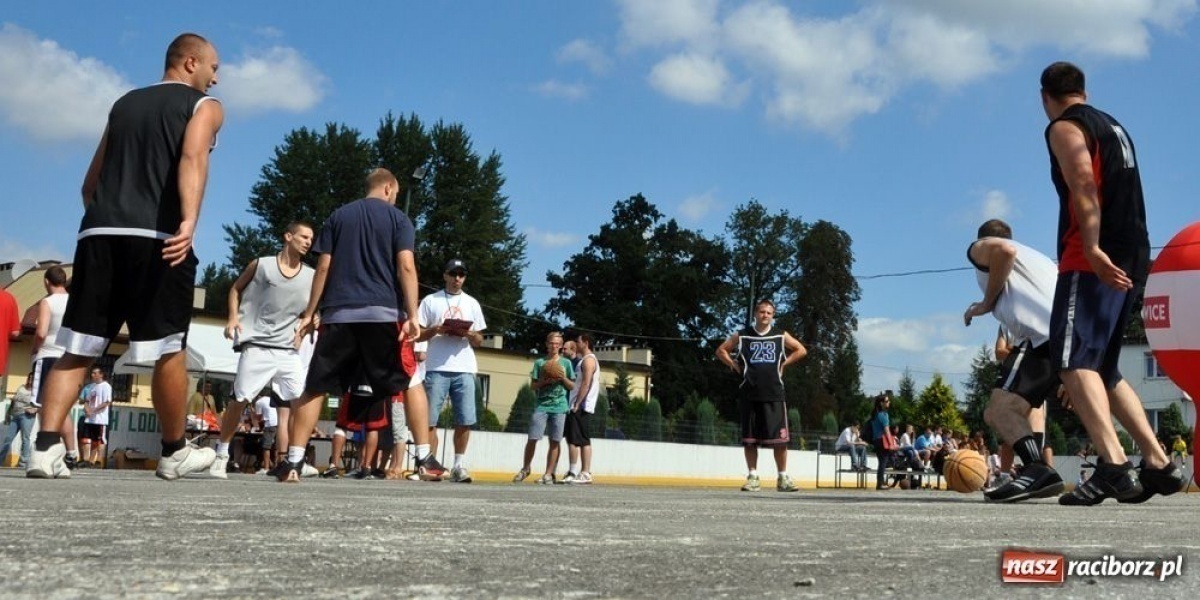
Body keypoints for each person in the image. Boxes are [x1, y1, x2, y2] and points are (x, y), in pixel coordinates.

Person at [27, 33, 223, 480]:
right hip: (157, 238)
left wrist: (104, 226)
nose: (216, 77)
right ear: (191, 63)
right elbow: (192, 158)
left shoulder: (124, 104)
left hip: (98, 233)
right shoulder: (204, 107)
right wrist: (189, 222)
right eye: (214, 67)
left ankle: (44, 447)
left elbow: (89, 183)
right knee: (168, 348)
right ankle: (174, 451)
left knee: (78, 344)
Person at [1039, 61, 1180, 505]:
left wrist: (1094, 249)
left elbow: (1083, 183)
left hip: (1093, 254)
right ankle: (1159, 464)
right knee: (1103, 367)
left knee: (1071, 358)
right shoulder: (1113, 125)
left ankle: (1114, 467)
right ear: (1085, 89)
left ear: (1045, 97)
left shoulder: (1065, 127)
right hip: (1136, 248)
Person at [281, 168, 441, 483]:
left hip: (339, 315)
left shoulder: (338, 216)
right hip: (383, 315)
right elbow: (406, 265)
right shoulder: (399, 220)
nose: (395, 198)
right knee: (410, 381)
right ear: (389, 188)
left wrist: (309, 313)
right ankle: (424, 458)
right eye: (395, 193)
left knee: (315, 386)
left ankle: (294, 462)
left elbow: (323, 266)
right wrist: (412, 314)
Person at [963, 218, 1065, 502]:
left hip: (1039, 339)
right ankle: (1133, 466)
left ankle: (1037, 470)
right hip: (1066, 336)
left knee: (998, 411)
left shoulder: (982, 246)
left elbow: (1004, 252)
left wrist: (986, 303)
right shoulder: (1040, 260)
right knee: (1018, 409)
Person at [209, 221, 316, 479]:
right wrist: (233, 318)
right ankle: (221, 455)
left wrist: (312, 322)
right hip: (257, 346)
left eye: (311, 238)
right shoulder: (261, 264)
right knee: (240, 400)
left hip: (287, 350)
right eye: (303, 236)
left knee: (302, 402)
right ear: (288, 236)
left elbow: (310, 312)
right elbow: (235, 289)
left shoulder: (312, 276)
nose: (308, 242)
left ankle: (295, 460)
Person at [716, 299, 807, 493]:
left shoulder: (780, 336)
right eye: (762, 312)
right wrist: (732, 364)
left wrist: (784, 363)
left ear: (773, 315)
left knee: (780, 441)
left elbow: (801, 350)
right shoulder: (743, 335)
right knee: (750, 439)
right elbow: (721, 350)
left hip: (774, 393)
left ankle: (782, 477)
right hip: (750, 393)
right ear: (755, 314)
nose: (765, 315)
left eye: (769, 313)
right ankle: (753, 476)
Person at [417, 258, 487, 483]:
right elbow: (418, 334)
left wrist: (468, 334)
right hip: (436, 366)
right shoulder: (430, 300)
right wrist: (436, 330)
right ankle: (429, 463)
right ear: (445, 275)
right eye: (453, 274)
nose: (458, 278)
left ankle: (458, 464)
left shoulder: (472, 303)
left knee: (464, 419)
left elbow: (479, 339)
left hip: (464, 368)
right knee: (429, 419)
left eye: (462, 274)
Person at [29, 266, 81, 468]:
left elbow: (41, 332)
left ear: (46, 281)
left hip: (48, 354)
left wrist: (34, 349)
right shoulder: (74, 302)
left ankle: (48, 449)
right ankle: (71, 452)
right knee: (62, 408)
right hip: (68, 356)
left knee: (45, 407)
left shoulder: (47, 302)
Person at [514, 331, 575, 484]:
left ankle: (548, 474)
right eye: (551, 343)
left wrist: (562, 378)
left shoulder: (566, 363)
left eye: (557, 343)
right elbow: (533, 386)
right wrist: (545, 381)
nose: (554, 346)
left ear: (561, 346)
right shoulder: (540, 363)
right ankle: (525, 468)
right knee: (533, 438)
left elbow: (572, 385)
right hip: (542, 404)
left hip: (560, 406)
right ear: (547, 344)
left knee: (555, 441)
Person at [563, 333, 599, 484]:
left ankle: (585, 472)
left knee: (584, 439)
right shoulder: (584, 360)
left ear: (586, 342)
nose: (576, 344)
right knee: (578, 438)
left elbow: (586, 383)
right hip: (578, 404)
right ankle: (582, 472)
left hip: (582, 405)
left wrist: (578, 403)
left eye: (578, 341)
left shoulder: (589, 360)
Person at [1, 374, 37, 468]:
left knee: (25, 438)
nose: (30, 380)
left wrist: (34, 409)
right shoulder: (21, 387)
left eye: (33, 378)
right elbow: (14, 401)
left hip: (27, 416)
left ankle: (23, 462)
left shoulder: (36, 391)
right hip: (15, 415)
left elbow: (39, 404)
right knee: (8, 438)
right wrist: (8, 413)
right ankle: (0, 460)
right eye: (29, 378)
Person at [80, 368, 113, 468]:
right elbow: (86, 400)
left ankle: (93, 461)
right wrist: (87, 409)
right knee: (85, 438)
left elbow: (106, 402)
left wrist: (93, 410)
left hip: (99, 419)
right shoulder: (92, 387)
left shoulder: (106, 386)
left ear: (101, 374)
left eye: (95, 373)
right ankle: (85, 460)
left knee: (97, 440)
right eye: (92, 373)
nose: (92, 375)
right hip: (89, 418)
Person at [867, 394, 892, 490]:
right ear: (881, 403)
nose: (889, 402)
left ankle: (880, 482)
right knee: (883, 462)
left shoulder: (875, 415)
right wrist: (891, 444)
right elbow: (887, 431)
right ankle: (880, 483)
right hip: (882, 441)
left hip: (876, 441)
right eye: (887, 401)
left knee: (882, 462)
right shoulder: (883, 415)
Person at [251, 391, 278, 474]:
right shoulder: (271, 399)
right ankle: (276, 467)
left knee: (266, 447)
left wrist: (253, 412)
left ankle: (266, 468)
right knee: (276, 447)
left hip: (270, 425)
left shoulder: (259, 402)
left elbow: (258, 418)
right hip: (279, 424)